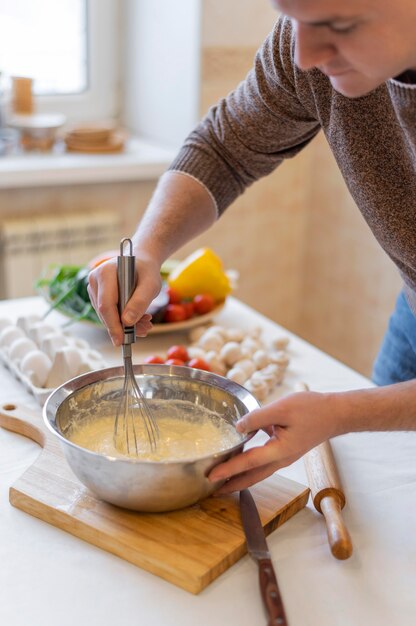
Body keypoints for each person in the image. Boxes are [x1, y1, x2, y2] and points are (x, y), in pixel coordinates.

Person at [88, 0, 416, 493]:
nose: (304, 53)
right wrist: (150, 248)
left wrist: (340, 412)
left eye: (340, 26)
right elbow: (224, 147)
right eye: (293, 18)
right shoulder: (304, 43)